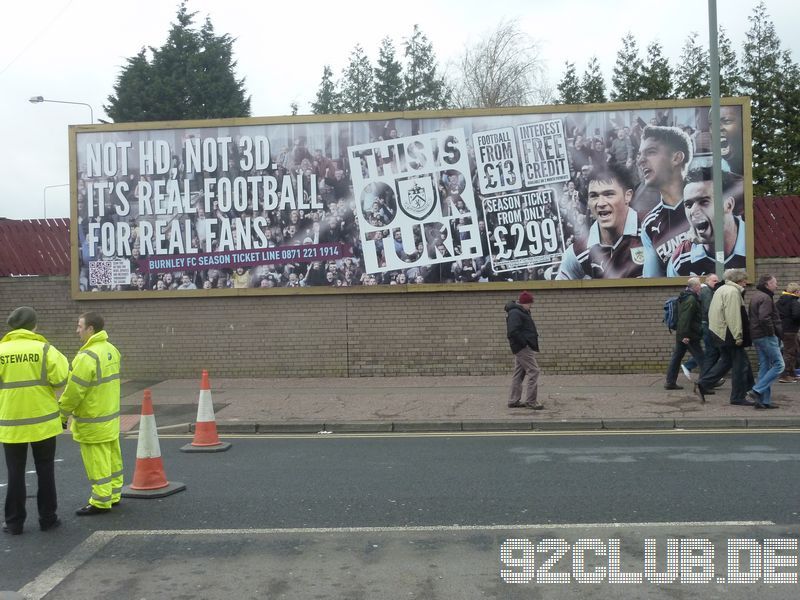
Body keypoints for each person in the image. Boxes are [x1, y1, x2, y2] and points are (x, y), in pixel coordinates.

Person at [0, 307, 69, 535]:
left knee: (15, 472)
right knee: (45, 470)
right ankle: (48, 519)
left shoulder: (1, 351)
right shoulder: (45, 349)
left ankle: (14, 523)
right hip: (43, 422)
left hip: (11, 423)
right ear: (34, 325)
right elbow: (60, 378)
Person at [59, 312, 123, 515]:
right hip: (110, 416)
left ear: (91, 329)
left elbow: (74, 391)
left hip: (92, 419)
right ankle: (113, 494)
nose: (77, 330)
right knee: (112, 457)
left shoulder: (86, 357)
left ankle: (100, 501)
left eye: (79, 326)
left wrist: (62, 413)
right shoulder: (111, 350)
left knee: (97, 461)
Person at [556, 163, 644, 280]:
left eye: (609, 194)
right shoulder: (578, 252)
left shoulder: (652, 228)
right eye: (594, 196)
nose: (601, 203)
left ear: (627, 196)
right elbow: (559, 293)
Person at [637, 126, 694, 277]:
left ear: (676, 158)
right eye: (640, 154)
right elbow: (652, 281)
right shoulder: (649, 223)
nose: (641, 161)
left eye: (651, 152)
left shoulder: (710, 201)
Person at [667, 168, 745, 276]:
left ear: (728, 205)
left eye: (704, 202)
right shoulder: (681, 257)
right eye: (688, 205)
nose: (693, 211)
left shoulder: (751, 242)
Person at [695, 269, 755, 404]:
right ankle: (738, 397)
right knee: (740, 365)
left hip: (719, 332)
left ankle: (703, 384)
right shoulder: (733, 292)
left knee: (726, 362)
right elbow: (733, 316)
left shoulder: (721, 289)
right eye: (744, 280)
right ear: (738, 280)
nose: (746, 283)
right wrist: (738, 336)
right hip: (729, 334)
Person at [745, 275, 784, 408]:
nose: (777, 286)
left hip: (757, 336)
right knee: (780, 365)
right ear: (768, 284)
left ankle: (763, 401)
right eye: (775, 283)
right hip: (766, 336)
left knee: (765, 366)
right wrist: (771, 333)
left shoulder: (757, 295)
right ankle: (756, 390)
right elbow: (764, 318)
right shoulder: (766, 298)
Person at [664, 278, 705, 390]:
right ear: (695, 286)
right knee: (701, 358)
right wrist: (685, 336)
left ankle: (670, 382)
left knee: (677, 357)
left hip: (683, 334)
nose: (701, 287)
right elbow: (685, 319)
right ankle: (706, 383)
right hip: (689, 335)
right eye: (699, 285)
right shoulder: (691, 299)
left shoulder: (685, 296)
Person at [505, 291, 544, 410]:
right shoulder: (516, 313)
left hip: (521, 347)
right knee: (534, 371)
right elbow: (512, 331)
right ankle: (531, 401)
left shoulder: (520, 311)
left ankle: (513, 400)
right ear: (524, 303)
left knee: (519, 373)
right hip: (522, 348)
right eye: (529, 303)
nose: (531, 305)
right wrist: (524, 343)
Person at [682, 273, 722, 380]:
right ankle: (706, 377)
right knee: (711, 352)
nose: (716, 282)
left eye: (717, 281)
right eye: (714, 281)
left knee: (711, 351)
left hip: (706, 324)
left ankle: (708, 376)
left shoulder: (707, 291)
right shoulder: (707, 291)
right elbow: (708, 309)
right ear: (707, 281)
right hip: (707, 325)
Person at [776, 282, 800, 383]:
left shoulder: (780, 300)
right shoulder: (794, 301)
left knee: (794, 350)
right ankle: (784, 375)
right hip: (791, 330)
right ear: (796, 291)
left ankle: (791, 373)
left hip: (782, 329)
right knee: (789, 352)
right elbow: (796, 315)